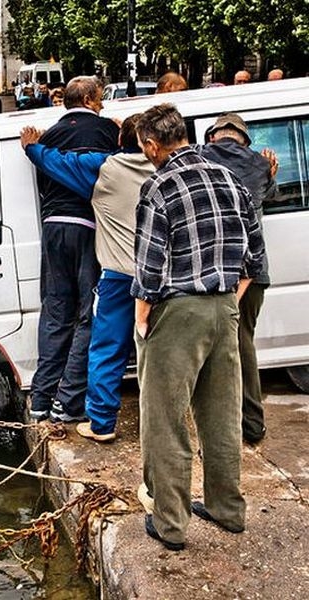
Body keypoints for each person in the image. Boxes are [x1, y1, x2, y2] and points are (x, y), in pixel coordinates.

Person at [132, 103, 265, 551]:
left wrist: (142, 321)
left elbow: (148, 272)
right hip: (224, 305)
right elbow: (255, 258)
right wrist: (228, 300)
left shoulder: (159, 187)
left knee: (165, 421)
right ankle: (228, 510)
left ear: (152, 145)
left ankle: (170, 523)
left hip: (178, 311)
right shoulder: (231, 180)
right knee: (221, 414)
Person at [21, 114, 154, 441]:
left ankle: (100, 423)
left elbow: (58, 162)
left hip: (119, 275)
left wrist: (32, 148)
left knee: (106, 347)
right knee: (160, 352)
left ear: (121, 142)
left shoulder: (105, 168)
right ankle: (162, 423)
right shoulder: (166, 169)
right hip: (159, 275)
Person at [27, 75, 120, 424]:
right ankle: (69, 401)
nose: (103, 103)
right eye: (101, 97)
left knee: (54, 313)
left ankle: (41, 398)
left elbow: (42, 187)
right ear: (92, 98)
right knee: (88, 315)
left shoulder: (46, 138)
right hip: (89, 230)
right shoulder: (109, 133)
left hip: (53, 229)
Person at [202, 113, 278, 444]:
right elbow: (269, 196)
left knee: (205, 349)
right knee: (243, 346)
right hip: (253, 272)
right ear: (244, 140)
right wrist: (270, 173)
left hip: (210, 272)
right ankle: (252, 424)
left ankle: (216, 426)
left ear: (213, 136)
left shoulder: (200, 157)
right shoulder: (259, 165)